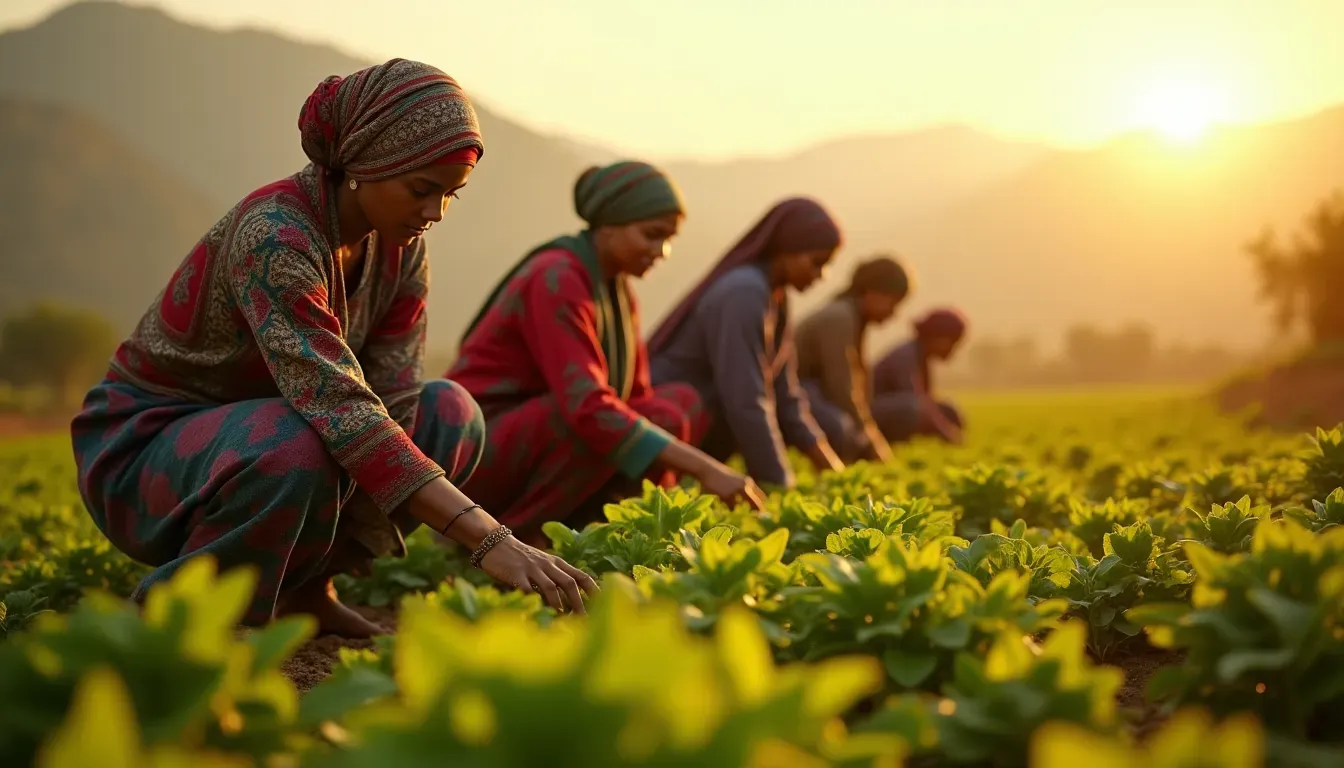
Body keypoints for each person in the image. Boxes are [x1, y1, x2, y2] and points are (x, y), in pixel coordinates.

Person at [69, 59, 596, 638]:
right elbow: (339, 407)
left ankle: (304, 590)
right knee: (294, 440)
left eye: (452, 195)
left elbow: (391, 396)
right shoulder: (274, 237)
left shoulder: (401, 246)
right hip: (148, 450)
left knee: (448, 414)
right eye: (422, 190)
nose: (435, 213)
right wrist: (488, 538)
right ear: (362, 167)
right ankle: (181, 621)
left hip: (288, 430)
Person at [448, 161, 766, 545]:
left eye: (668, 240)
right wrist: (705, 469)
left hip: (535, 439)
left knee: (677, 406)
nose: (661, 251)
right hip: (475, 450)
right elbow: (587, 406)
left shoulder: (618, 292)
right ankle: (513, 539)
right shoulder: (557, 276)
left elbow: (637, 398)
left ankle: (615, 531)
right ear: (609, 225)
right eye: (651, 235)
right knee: (582, 419)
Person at [647, 197, 846, 490]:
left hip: (702, 421)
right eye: (816, 263)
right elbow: (746, 399)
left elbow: (784, 392)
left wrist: (831, 468)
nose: (820, 276)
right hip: (671, 418)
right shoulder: (744, 293)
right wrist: (779, 484)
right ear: (786, 248)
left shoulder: (775, 299)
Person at [794, 255, 911, 464]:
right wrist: (871, 436)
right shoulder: (840, 318)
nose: (893, 313)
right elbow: (840, 388)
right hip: (791, 392)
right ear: (870, 292)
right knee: (840, 427)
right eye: (892, 302)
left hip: (805, 392)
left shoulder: (852, 318)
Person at [870, 307, 969, 445]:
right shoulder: (906, 355)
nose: (953, 349)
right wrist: (947, 433)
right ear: (937, 337)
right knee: (913, 408)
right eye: (952, 342)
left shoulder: (921, 356)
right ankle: (888, 442)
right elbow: (921, 402)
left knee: (948, 411)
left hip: (895, 406)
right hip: (872, 412)